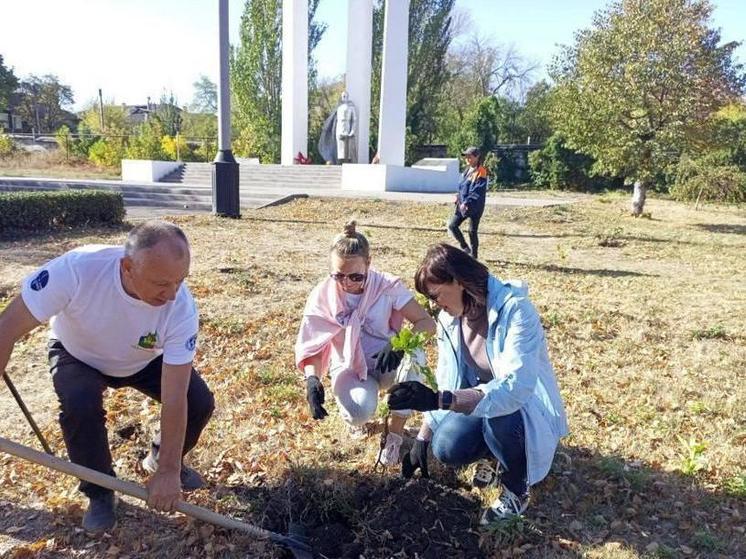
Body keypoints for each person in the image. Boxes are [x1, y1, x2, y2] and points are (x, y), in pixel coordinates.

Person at [0, 221, 215, 533]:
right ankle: (99, 492)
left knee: (199, 402)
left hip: (143, 359)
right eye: (160, 284)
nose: (171, 295)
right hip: (77, 352)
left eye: (179, 281)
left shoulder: (181, 308)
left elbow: (174, 396)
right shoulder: (76, 270)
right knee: (79, 403)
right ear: (128, 267)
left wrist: (169, 469)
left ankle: (158, 458)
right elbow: (7, 327)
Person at [387, 243, 568, 523]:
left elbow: (514, 387)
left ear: (458, 281)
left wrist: (441, 399)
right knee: (446, 447)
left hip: (520, 408)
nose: (436, 306)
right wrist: (423, 436)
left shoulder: (515, 311)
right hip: (481, 404)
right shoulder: (451, 318)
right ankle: (494, 454)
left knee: (500, 416)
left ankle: (516, 489)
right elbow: (449, 376)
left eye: (436, 296)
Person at [295, 221, 436, 465]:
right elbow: (314, 344)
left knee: (415, 359)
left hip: (386, 360)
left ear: (369, 263)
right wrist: (312, 379)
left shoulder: (386, 287)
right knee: (359, 412)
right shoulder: (323, 295)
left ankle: (394, 437)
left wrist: (400, 345)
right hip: (349, 365)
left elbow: (426, 323)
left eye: (355, 276)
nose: (347, 283)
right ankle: (355, 418)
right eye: (338, 275)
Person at [448, 146, 488, 259]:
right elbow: (462, 187)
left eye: (469, 156)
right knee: (452, 226)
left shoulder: (481, 172)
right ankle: (465, 247)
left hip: (475, 206)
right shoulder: (466, 170)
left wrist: (466, 202)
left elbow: (477, 190)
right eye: (466, 156)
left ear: (477, 157)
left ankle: (474, 257)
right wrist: (458, 196)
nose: (467, 158)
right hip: (462, 205)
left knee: (472, 231)